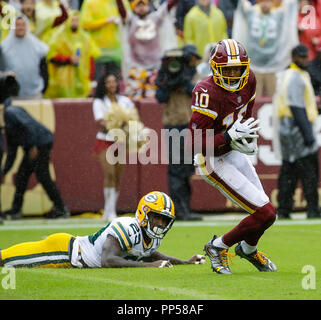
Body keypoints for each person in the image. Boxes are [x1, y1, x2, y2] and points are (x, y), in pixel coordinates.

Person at [189, 39, 277, 274]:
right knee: (265, 211)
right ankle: (218, 247)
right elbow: (195, 144)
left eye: (238, 69)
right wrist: (228, 137)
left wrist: (244, 138)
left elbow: (245, 114)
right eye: (228, 69)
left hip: (232, 151)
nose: (234, 74)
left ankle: (248, 250)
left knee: (266, 215)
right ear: (215, 69)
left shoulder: (250, 79)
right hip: (211, 159)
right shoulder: (205, 92)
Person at [0, 191, 206, 268]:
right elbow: (108, 260)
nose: (160, 224)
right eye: (156, 218)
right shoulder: (128, 226)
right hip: (65, 252)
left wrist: (185, 263)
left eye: (164, 220)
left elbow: (149, 254)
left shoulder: (149, 237)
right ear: (144, 214)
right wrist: (152, 267)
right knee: (4, 260)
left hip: (70, 254)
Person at [0, 74, 69, 220]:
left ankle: (60, 208)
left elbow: (29, 127)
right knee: (24, 175)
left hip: (40, 143)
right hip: (39, 142)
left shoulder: (10, 112)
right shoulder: (10, 115)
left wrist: (32, 146)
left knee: (40, 175)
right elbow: (12, 150)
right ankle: (18, 209)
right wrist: (5, 171)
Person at [155, 45, 203, 221]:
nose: (194, 61)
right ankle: (179, 209)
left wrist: (184, 83)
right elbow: (160, 97)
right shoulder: (167, 74)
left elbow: (198, 94)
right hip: (175, 124)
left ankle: (185, 207)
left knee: (188, 167)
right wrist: (169, 84)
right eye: (192, 57)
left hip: (190, 125)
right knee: (176, 168)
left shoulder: (193, 75)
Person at [273, 44, 320, 219]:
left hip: (291, 128)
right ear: (293, 58)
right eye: (301, 57)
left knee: (290, 169)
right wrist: (308, 134)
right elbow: (296, 107)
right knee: (307, 169)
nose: (305, 60)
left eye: (306, 56)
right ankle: (312, 208)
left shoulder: (293, 74)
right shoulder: (294, 77)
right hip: (295, 128)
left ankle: (285, 208)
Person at [92, 73, 136, 221]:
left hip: (121, 140)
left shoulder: (125, 101)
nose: (112, 85)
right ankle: (108, 209)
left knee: (118, 176)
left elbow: (132, 118)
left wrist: (128, 126)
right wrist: (115, 125)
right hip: (105, 140)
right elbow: (100, 122)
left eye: (113, 82)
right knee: (109, 173)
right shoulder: (99, 102)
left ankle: (111, 210)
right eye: (108, 82)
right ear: (103, 85)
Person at [232, 0, 298, 97]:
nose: (265, 4)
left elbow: (290, 7)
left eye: (268, 1)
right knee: (254, 99)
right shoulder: (251, 13)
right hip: (254, 66)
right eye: (262, 1)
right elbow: (240, 6)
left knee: (274, 99)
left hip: (272, 67)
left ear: (272, 3)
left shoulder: (278, 15)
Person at [116, 0, 178, 100]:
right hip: (136, 68)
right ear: (133, 8)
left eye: (143, 5)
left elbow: (169, 5)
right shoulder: (130, 20)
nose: (141, 8)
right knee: (133, 100)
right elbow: (121, 10)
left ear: (148, 6)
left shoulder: (155, 18)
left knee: (152, 101)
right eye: (138, 6)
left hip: (155, 68)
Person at [45, 11, 100, 98]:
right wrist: (68, 60)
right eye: (72, 20)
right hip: (63, 81)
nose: (75, 23)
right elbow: (51, 57)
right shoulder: (58, 37)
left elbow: (91, 58)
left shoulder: (85, 37)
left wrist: (89, 78)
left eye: (77, 20)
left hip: (81, 80)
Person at [0, 15, 49, 99]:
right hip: (12, 96)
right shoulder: (4, 47)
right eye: (18, 25)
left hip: (35, 94)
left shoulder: (37, 46)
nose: (20, 27)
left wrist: (43, 89)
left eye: (23, 24)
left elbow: (44, 69)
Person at [80, 0, 123, 80]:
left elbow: (128, 17)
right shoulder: (90, 2)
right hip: (98, 51)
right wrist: (105, 21)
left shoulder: (119, 2)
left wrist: (121, 21)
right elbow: (84, 24)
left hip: (116, 51)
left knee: (114, 83)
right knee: (98, 82)